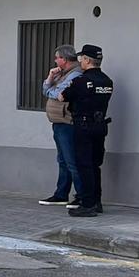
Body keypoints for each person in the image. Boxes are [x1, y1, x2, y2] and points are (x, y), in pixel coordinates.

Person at [62, 44, 115, 217]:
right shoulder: (107, 81)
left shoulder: (81, 81)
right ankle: (97, 201)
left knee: (84, 165)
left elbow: (63, 96)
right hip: (100, 126)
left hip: (83, 126)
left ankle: (88, 204)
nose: (80, 62)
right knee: (94, 165)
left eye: (81, 58)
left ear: (86, 60)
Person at [38, 45, 83, 206]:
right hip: (58, 122)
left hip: (67, 123)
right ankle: (61, 193)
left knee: (72, 161)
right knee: (62, 160)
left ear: (64, 59)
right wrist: (50, 77)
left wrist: (52, 88)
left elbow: (58, 95)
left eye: (57, 57)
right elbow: (46, 90)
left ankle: (81, 195)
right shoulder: (61, 74)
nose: (55, 60)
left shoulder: (75, 74)